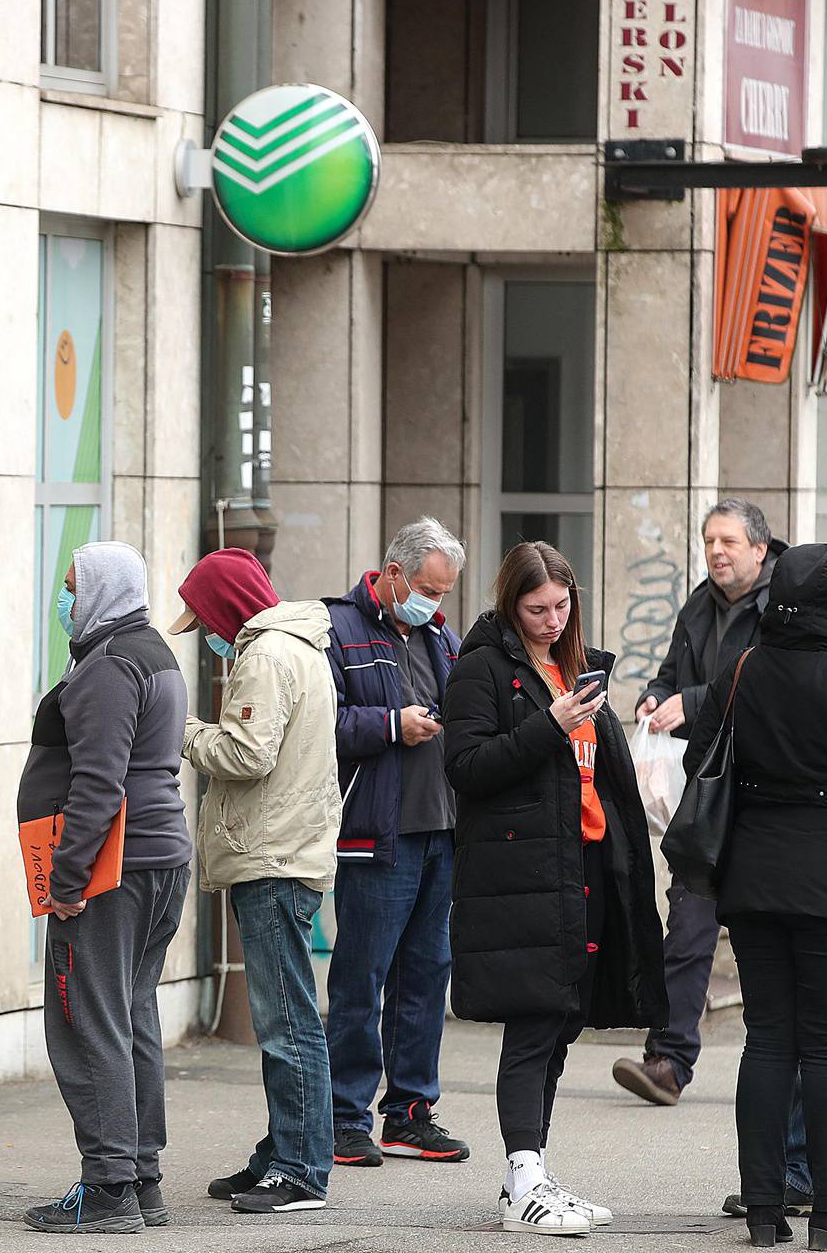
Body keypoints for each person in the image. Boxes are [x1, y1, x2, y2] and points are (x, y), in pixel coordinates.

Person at [681, 544, 827, 1251]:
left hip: (754, 881)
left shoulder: (744, 669)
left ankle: (762, 1213)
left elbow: (701, 758)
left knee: (768, 1044)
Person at [442, 541, 667, 1236]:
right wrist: (550, 726)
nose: (550, 619)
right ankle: (524, 1179)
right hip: (523, 875)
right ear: (511, 604)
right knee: (534, 1023)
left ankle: (528, 1180)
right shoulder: (483, 668)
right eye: (536, 608)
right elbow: (467, 767)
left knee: (561, 1021)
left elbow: (597, 775)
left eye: (562, 606)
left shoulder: (577, 666)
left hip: (586, 866)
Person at [19, 542, 193, 1235]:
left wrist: (66, 883)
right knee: (130, 1015)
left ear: (100, 591)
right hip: (159, 862)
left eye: (71, 586)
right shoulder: (151, 652)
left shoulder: (106, 668)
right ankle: (140, 1178)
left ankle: (109, 1187)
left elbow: (97, 785)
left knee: (87, 1021)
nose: (64, 599)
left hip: (113, 874)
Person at [171, 548, 343, 1215]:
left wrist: (180, 733)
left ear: (227, 608)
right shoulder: (296, 646)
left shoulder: (267, 655)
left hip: (273, 856)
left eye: (205, 620)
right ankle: (282, 1154)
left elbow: (248, 753)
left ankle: (300, 1171)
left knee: (287, 1023)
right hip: (286, 852)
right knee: (290, 1018)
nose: (206, 636)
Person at [614, 499, 786, 1108]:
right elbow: (668, 674)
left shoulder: (786, 604)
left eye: (729, 542)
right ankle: (666, 1061)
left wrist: (694, 701)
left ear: (760, 549)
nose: (716, 551)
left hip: (770, 795)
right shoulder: (697, 604)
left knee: (785, 934)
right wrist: (656, 697)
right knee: (687, 925)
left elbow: (773, 681)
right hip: (705, 794)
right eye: (710, 541)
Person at [322, 518, 470, 1169]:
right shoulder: (340, 629)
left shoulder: (442, 637)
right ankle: (343, 1116)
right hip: (377, 833)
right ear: (392, 575)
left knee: (425, 978)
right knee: (362, 978)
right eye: (428, 590)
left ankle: (410, 1113)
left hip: (439, 831)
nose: (434, 603)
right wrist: (390, 724)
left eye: (442, 593)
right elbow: (317, 721)